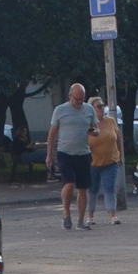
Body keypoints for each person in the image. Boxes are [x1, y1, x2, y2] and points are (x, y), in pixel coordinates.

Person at [46, 83, 98, 229]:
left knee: (83, 188)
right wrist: (49, 155)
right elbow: (52, 133)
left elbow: (96, 129)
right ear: (70, 96)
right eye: (77, 99)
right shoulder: (60, 110)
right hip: (65, 152)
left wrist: (94, 132)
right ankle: (66, 213)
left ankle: (81, 221)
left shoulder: (89, 109)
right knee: (69, 183)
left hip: (83, 153)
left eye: (82, 99)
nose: (79, 102)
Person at [89, 104, 124, 225]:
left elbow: (117, 138)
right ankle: (90, 216)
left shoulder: (111, 121)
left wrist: (119, 155)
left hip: (111, 160)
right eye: (98, 106)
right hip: (92, 163)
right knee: (92, 190)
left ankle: (112, 215)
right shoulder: (88, 123)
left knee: (110, 188)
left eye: (102, 106)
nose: (102, 108)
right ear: (92, 109)